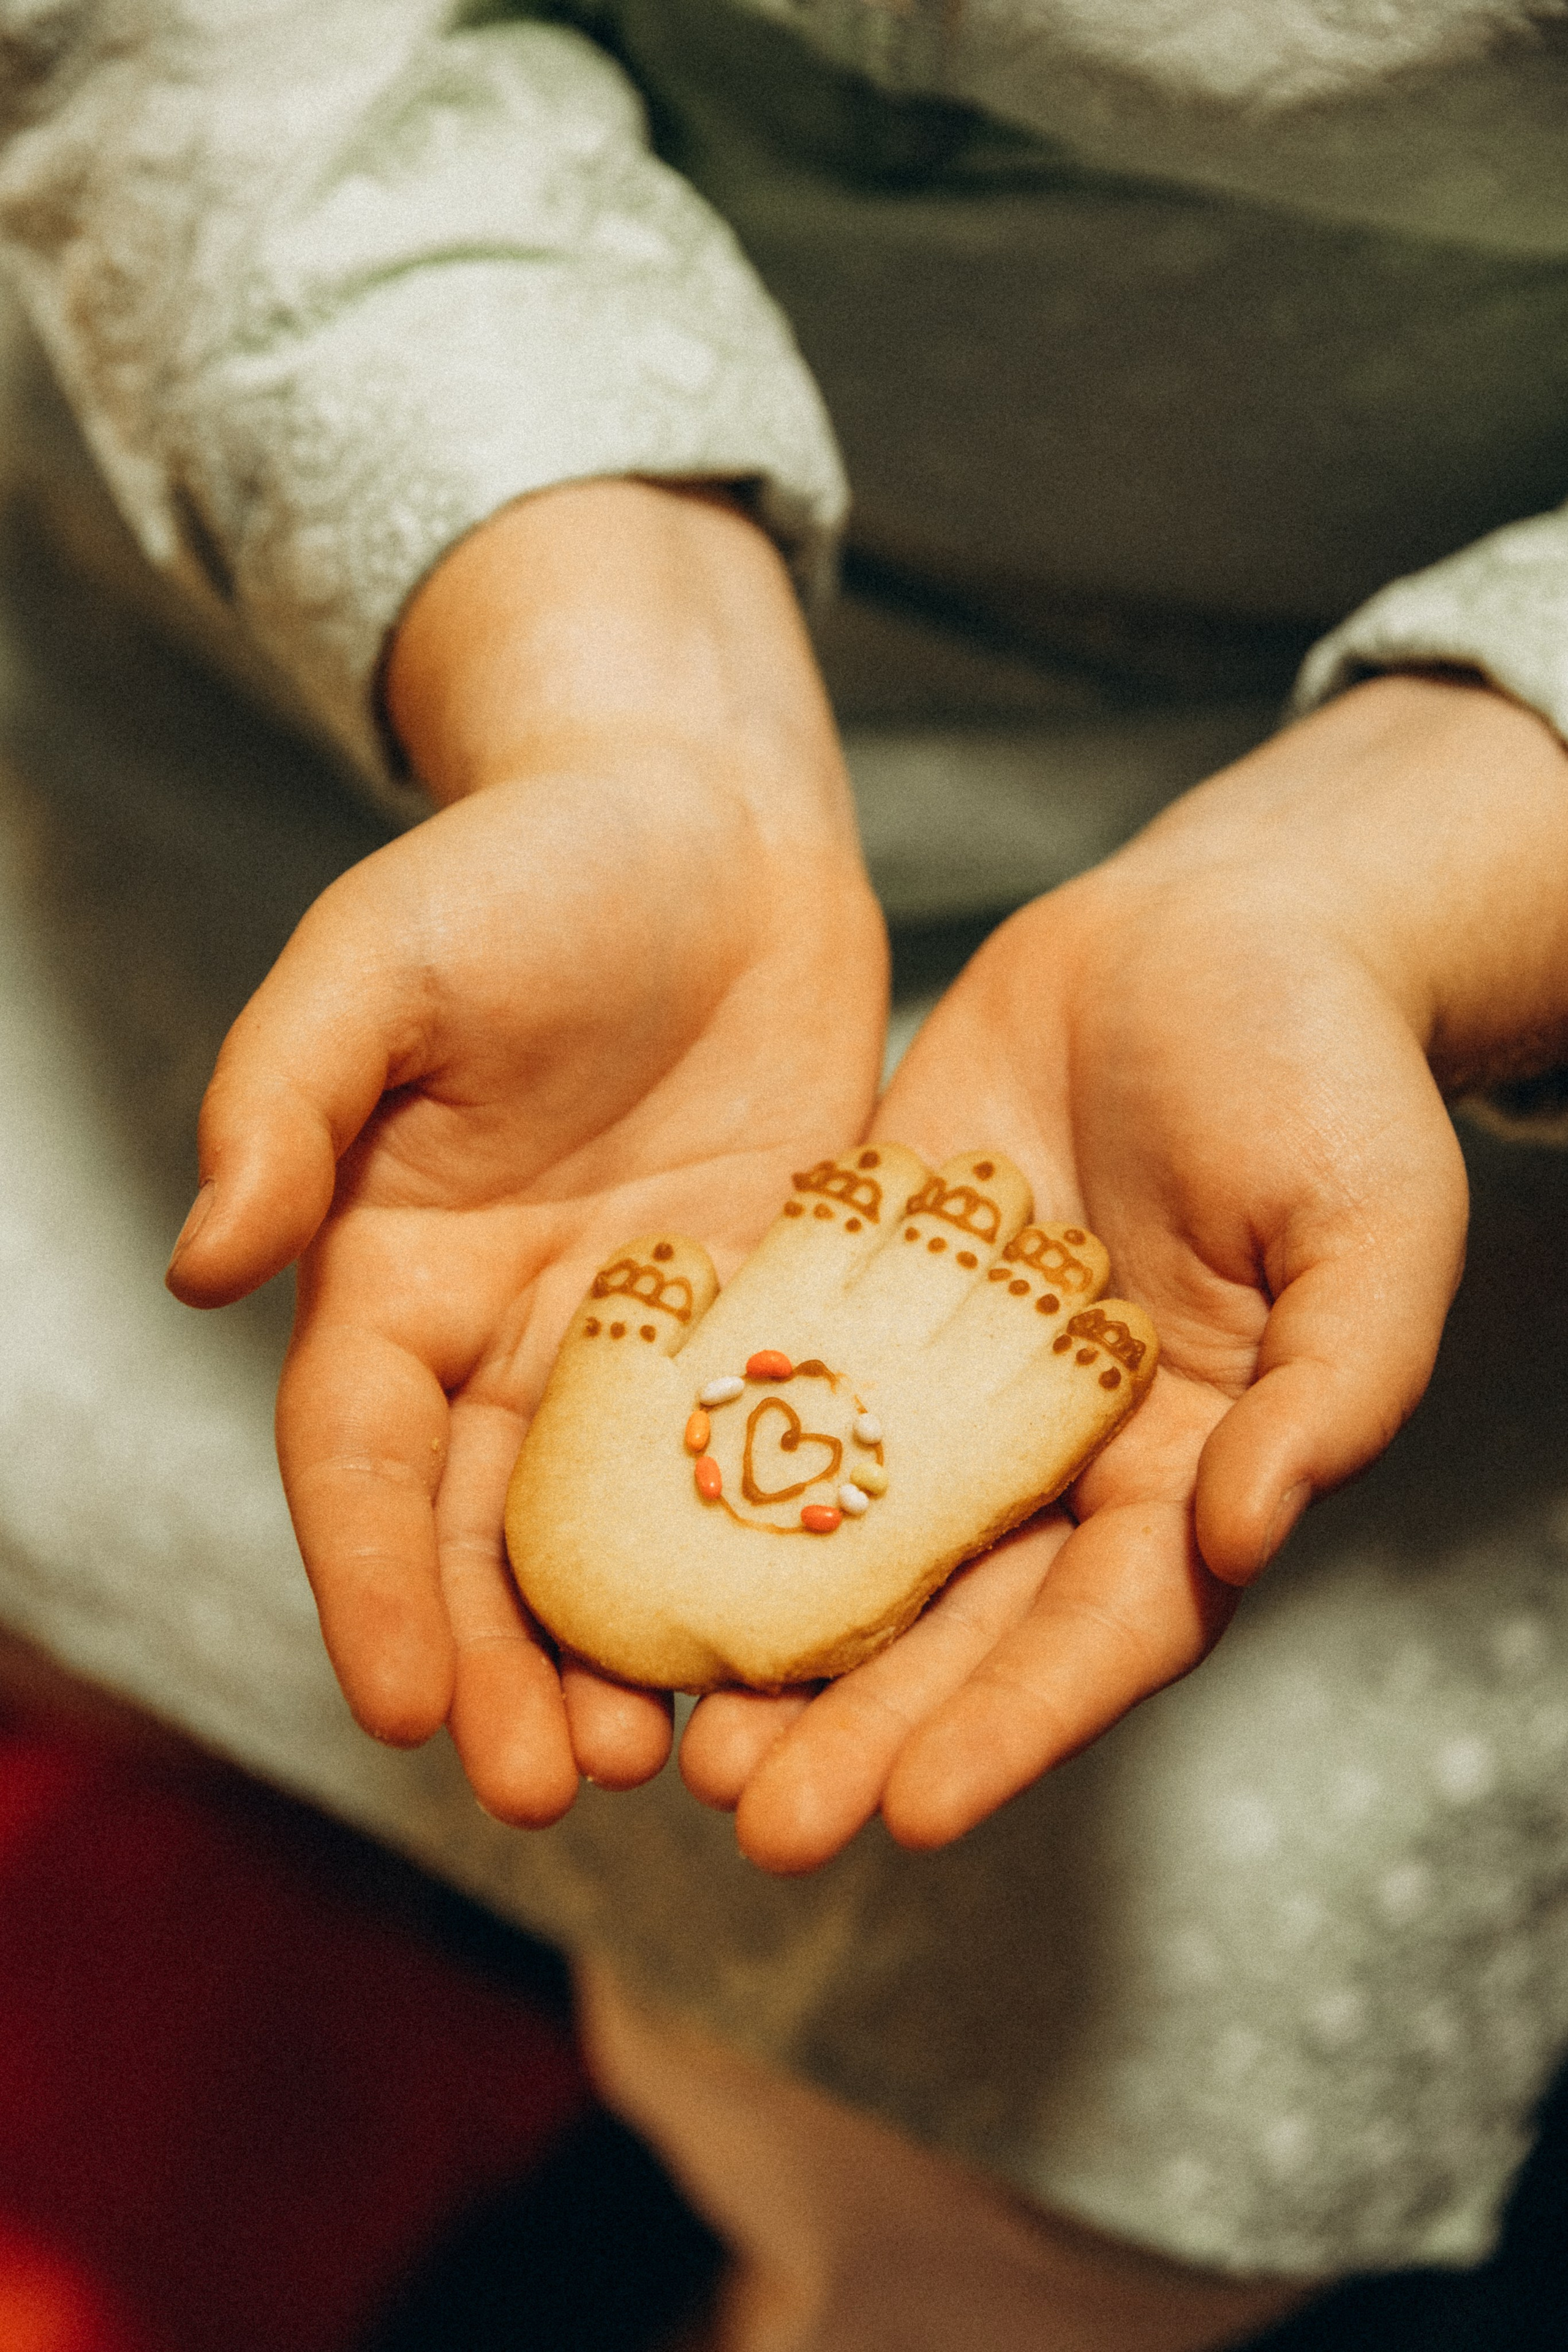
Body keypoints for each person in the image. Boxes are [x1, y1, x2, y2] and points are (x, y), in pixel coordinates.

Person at [4, 4, 1568, 2343]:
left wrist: (1411, 871)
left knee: (1006, 2120)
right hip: (423, 596)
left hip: (1404, 866)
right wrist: (596, 657)